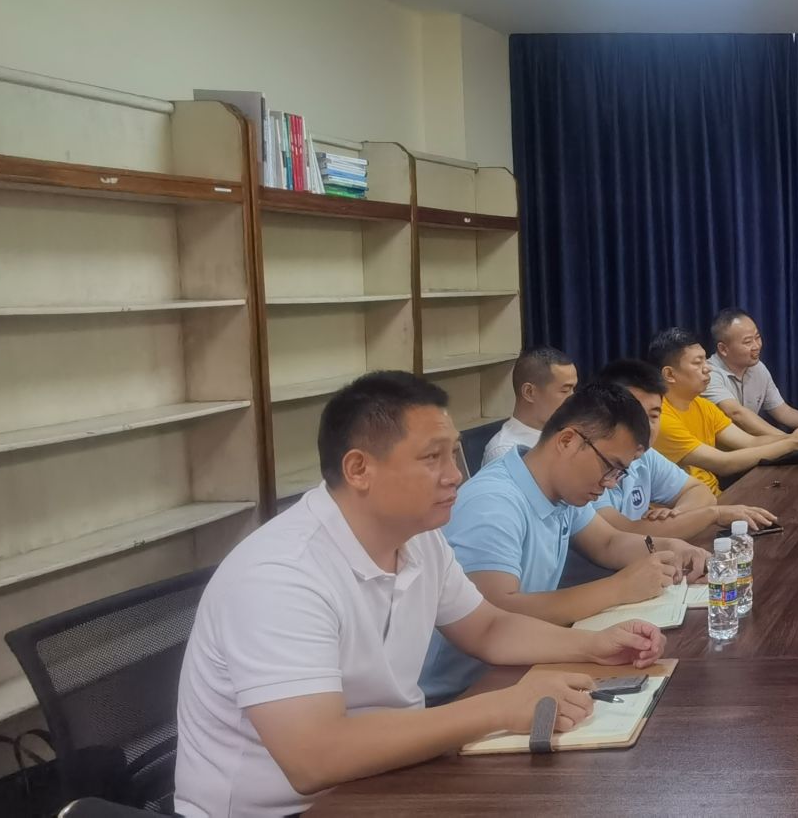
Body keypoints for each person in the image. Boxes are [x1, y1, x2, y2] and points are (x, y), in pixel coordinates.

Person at [174, 372, 668, 818]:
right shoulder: (280, 574)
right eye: (433, 458)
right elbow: (315, 757)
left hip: (389, 778)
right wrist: (501, 707)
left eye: (453, 453)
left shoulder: (419, 539)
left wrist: (595, 644)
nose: (455, 474)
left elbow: (488, 628)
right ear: (359, 469)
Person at [420, 382, 710, 702]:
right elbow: (498, 611)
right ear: (568, 440)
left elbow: (608, 542)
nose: (609, 483)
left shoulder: (560, 490)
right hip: (460, 691)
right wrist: (619, 588)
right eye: (610, 466)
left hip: (523, 663)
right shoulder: (493, 502)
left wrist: (670, 547)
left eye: (619, 474)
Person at [591, 358, 776, 543]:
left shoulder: (646, 456)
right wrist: (713, 515)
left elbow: (699, 491)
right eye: (635, 414)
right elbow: (621, 534)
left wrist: (678, 516)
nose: (645, 427)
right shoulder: (588, 463)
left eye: (653, 416)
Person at [650, 326, 798, 493]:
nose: (707, 368)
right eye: (697, 363)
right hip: (683, 508)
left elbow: (750, 442)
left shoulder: (703, 405)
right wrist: (792, 443)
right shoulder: (659, 418)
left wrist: (797, 438)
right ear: (670, 374)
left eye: (705, 360)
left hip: (714, 496)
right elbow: (724, 463)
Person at [703, 308, 798, 436]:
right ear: (723, 349)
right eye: (747, 342)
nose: (757, 346)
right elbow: (736, 414)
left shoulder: (758, 368)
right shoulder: (708, 374)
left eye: (757, 337)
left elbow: (782, 411)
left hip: (751, 447)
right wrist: (789, 440)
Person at [482, 346, 577, 466]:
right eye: (565, 391)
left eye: (573, 389)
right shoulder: (505, 452)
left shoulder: (570, 434)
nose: (573, 398)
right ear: (529, 392)